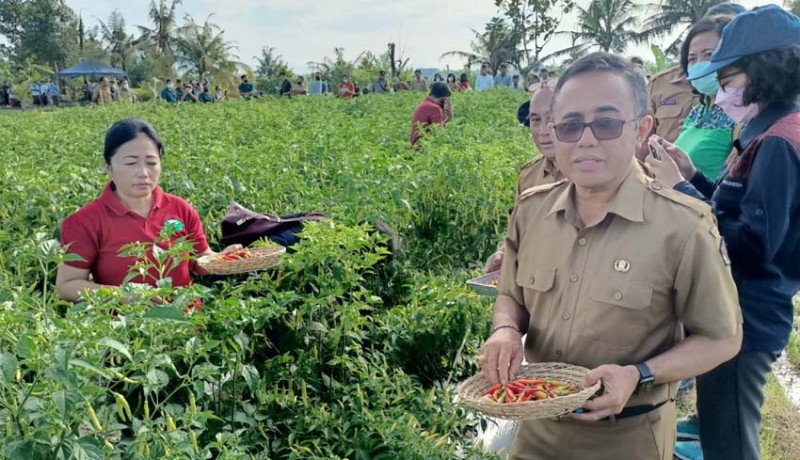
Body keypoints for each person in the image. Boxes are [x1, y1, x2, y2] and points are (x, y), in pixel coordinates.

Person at [479, 52, 742, 460]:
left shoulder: (683, 226)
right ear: (554, 132)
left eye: (606, 122)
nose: (586, 139)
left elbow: (722, 338)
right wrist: (505, 331)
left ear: (641, 129)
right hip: (536, 430)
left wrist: (638, 375)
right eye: (569, 125)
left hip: (628, 438)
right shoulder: (531, 211)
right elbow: (510, 295)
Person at [645, 6, 800, 460]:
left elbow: (751, 247)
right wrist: (692, 177)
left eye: (729, 78)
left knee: (728, 440)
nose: (723, 91)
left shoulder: (777, 141)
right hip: (737, 308)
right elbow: (732, 207)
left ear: (765, 70)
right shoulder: (764, 130)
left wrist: (680, 192)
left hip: (743, 316)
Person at [56, 119, 242, 302]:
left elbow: (200, 260)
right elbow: (67, 285)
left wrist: (221, 259)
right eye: (131, 163)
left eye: (151, 163)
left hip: (186, 321)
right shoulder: (85, 221)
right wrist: (122, 295)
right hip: (126, 325)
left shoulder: (180, 208)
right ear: (108, 167)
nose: (143, 173)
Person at [484, 82, 562, 275]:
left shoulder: (593, 176)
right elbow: (516, 234)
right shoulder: (529, 175)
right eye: (535, 120)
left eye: (552, 118)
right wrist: (503, 255)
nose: (544, 130)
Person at [672, 14, 739, 182]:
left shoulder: (743, 113)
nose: (699, 64)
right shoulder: (698, 112)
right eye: (692, 58)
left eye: (709, 55)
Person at [647, 61, 698, 144]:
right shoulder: (660, 82)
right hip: (666, 155)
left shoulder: (724, 80)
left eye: (708, 54)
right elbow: (644, 134)